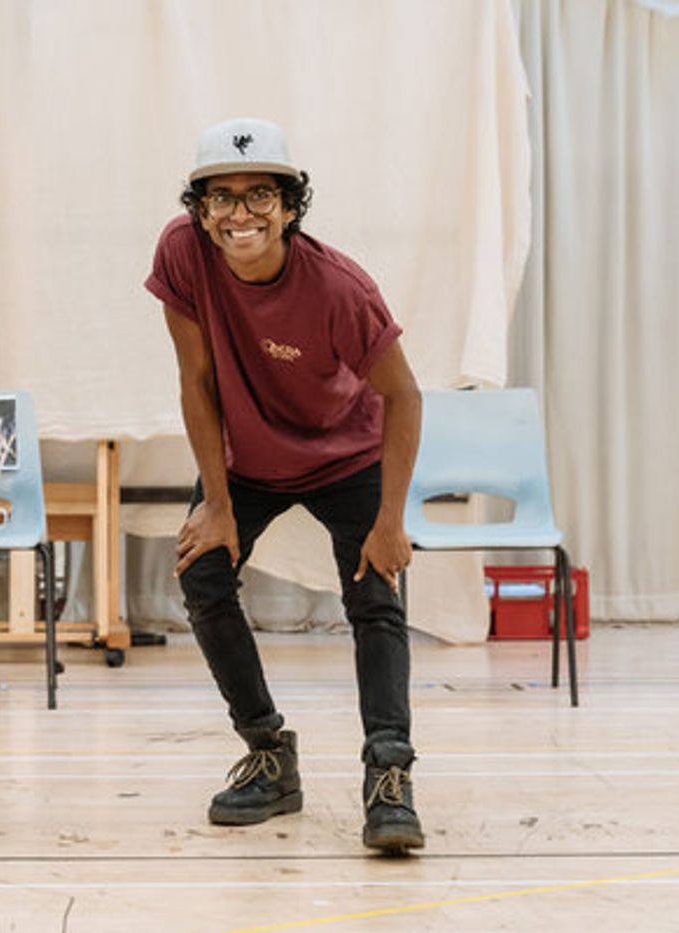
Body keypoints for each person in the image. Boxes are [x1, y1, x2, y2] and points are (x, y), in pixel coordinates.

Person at [145, 118, 425, 854]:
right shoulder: (182, 253)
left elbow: (406, 397)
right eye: (222, 197)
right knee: (202, 572)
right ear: (200, 210)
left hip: (345, 454)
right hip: (246, 454)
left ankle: (389, 774)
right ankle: (270, 753)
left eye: (260, 194)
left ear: (291, 206)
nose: (241, 213)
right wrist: (217, 500)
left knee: (374, 593)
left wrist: (391, 519)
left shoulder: (339, 288)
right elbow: (196, 380)